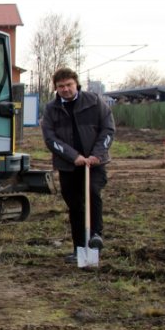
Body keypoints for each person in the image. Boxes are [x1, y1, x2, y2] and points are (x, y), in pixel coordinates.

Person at [41, 67, 114, 263]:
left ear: (76, 84)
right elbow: (50, 138)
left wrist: (97, 155)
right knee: (75, 205)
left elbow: (108, 129)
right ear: (56, 88)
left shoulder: (94, 102)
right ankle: (79, 247)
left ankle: (96, 235)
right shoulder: (51, 109)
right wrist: (73, 156)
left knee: (92, 192)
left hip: (94, 164)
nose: (65, 89)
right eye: (61, 86)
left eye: (69, 85)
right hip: (68, 166)